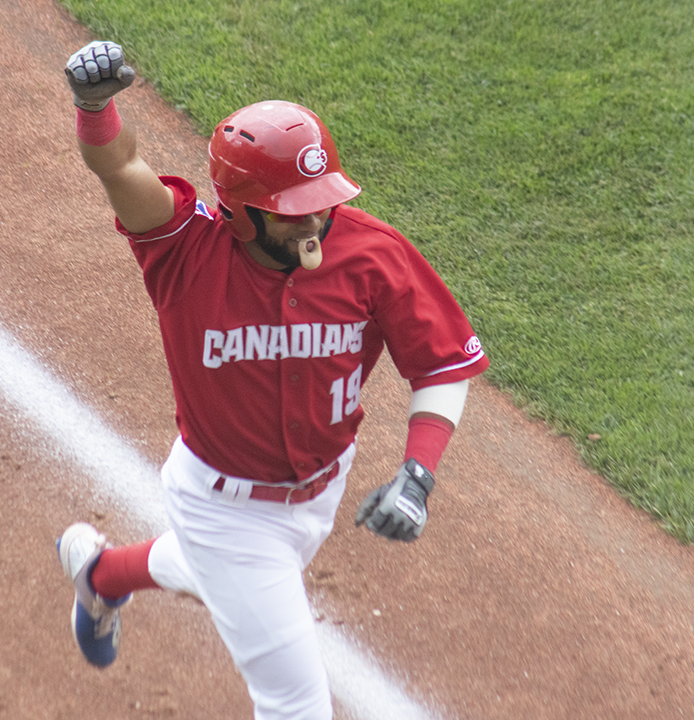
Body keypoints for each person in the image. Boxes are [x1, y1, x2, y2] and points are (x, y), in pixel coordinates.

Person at [55, 40, 490, 720]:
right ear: (240, 209)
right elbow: (121, 168)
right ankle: (114, 576)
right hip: (223, 507)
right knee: (295, 704)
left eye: (323, 199)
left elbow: (440, 361)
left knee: (214, 576)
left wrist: (417, 476)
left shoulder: (371, 253)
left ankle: (101, 576)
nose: (317, 217)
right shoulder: (181, 251)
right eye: (295, 207)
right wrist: (94, 106)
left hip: (319, 489)